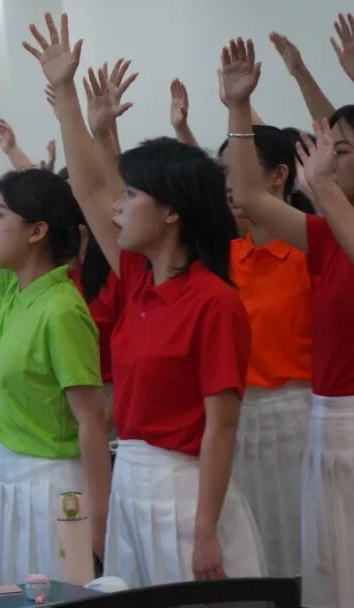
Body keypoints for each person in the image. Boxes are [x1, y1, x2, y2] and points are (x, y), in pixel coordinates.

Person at [31, 15, 265, 585]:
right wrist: (64, 93)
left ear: (172, 211)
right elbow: (89, 187)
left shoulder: (213, 302)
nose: (119, 205)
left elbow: (221, 429)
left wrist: (205, 529)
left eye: (132, 194)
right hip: (132, 479)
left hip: (184, 491)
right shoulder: (138, 277)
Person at [0, 55, 111, 585]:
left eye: (1, 218)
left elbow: (92, 422)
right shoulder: (15, 287)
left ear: (37, 232)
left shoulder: (62, 308)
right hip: (11, 474)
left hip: (56, 486)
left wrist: (100, 523)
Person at [222, 35, 354, 608]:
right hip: (326, 427)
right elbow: (251, 197)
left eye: (341, 150)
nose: (327, 157)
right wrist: (237, 109)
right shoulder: (324, 237)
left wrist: (320, 185)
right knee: (326, 578)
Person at [215, 125, 313, 579]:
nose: (229, 183)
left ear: (279, 176)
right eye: (224, 172)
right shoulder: (223, 259)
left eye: (239, 169)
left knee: (298, 548)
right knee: (244, 554)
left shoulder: (312, 254)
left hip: (296, 419)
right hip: (232, 421)